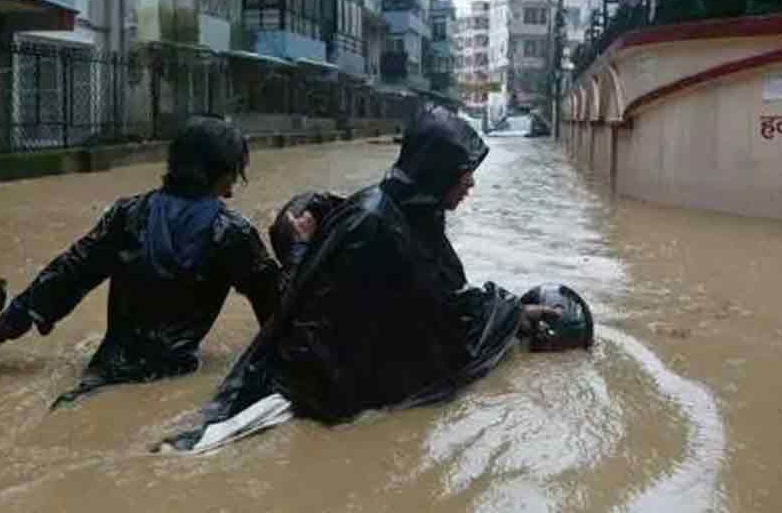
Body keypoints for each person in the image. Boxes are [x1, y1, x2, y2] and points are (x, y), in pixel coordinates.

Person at [157, 109, 588, 452]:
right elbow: (444, 321)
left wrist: (510, 313)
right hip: (313, 388)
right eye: (463, 172)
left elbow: (442, 302)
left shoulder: (414, 215)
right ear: (436, 172)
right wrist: (511, 312)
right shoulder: (375, 225)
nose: (470, 183)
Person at [0, 116, 316, 408]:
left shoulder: (128, 215)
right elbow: (279, 315)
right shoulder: (231, 233)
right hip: (171, 386)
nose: (235, 186)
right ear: (221, 174)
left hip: (101, 376)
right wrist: (298, 249)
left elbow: (68, 272)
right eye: (235, 173)